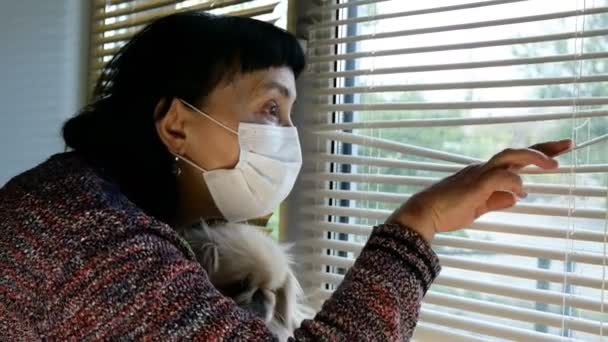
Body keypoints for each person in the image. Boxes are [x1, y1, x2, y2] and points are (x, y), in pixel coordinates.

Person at [0, 11, 572, 341]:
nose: (285, 136)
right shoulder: (91, 240)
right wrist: (422, 220)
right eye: (269, 109)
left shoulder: (74, 197)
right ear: (176, 125)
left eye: (288, 115)